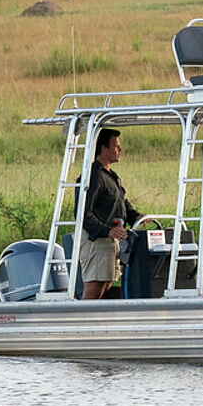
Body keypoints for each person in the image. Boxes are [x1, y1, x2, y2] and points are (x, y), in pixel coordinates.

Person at [79, 128, 140, 299]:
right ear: (103, 149)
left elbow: (121, 204)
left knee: (106, 284)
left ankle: (97, 323)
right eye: (116, 146)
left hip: (110, 241)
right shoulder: (93, 176)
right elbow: (83, 213)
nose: (120, 150)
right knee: (95, 286)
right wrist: (107, 230)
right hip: (96, 241)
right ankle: (81, 323)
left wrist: (138, 217)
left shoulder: (112, 176)